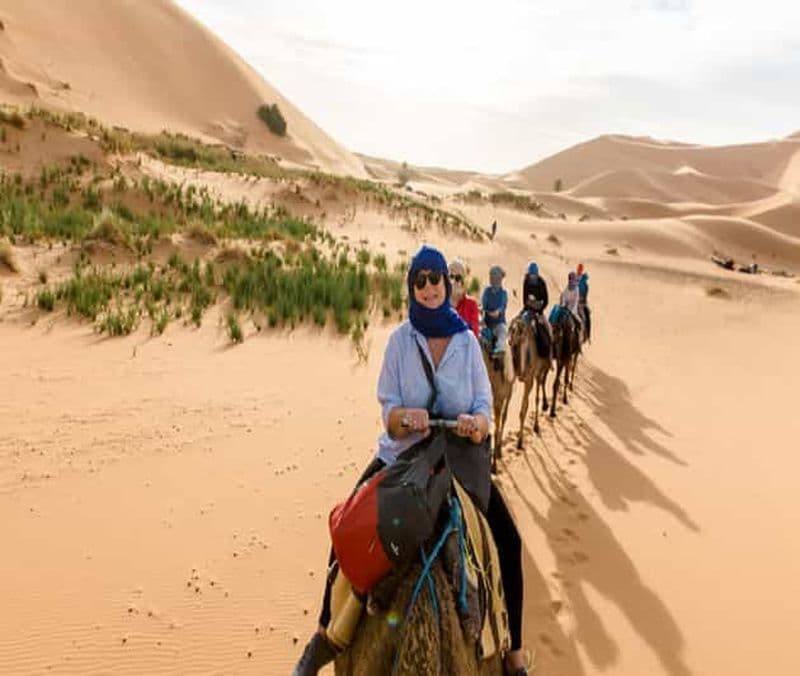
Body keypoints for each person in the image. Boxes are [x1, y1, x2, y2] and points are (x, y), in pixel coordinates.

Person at [292, 245, 529, 676]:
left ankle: (513, 655)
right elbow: (388, 407)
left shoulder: (467, 343)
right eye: (419, 280)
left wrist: (477, 423)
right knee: (346, 526)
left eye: (434, 279)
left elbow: (484, 406)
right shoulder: (400, 342)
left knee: (509, 544)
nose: (428, 288)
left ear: (445, 283)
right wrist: (402, 420)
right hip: (405, 457)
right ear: (411, 287)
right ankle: (325, 634)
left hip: (458, 458)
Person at [481, 265, 508, 356]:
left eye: (495, 277)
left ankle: (499, 351)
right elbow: (483, 306)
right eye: (492, 277)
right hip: (487, 324)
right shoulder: (486, 291)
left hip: (498, 324)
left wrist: (498, 312)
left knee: (503, 331)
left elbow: (502, 306)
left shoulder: (503, 293)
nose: (493, 279)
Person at [449, 257, 480, 339]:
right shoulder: (439, 303)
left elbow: (474, 335)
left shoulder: (471, 305)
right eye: (451, 277)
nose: (453, 282)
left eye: (458, 278)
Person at [576, 263, 591, 341]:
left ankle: (584, 335)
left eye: (580, 269)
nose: (578, 270)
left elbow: (585, 295)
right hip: (572, 302)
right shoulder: (573, 279)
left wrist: (581, 300)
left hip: (581, 304)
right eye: (578, 269)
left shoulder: (584, 283)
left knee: (584, 318)